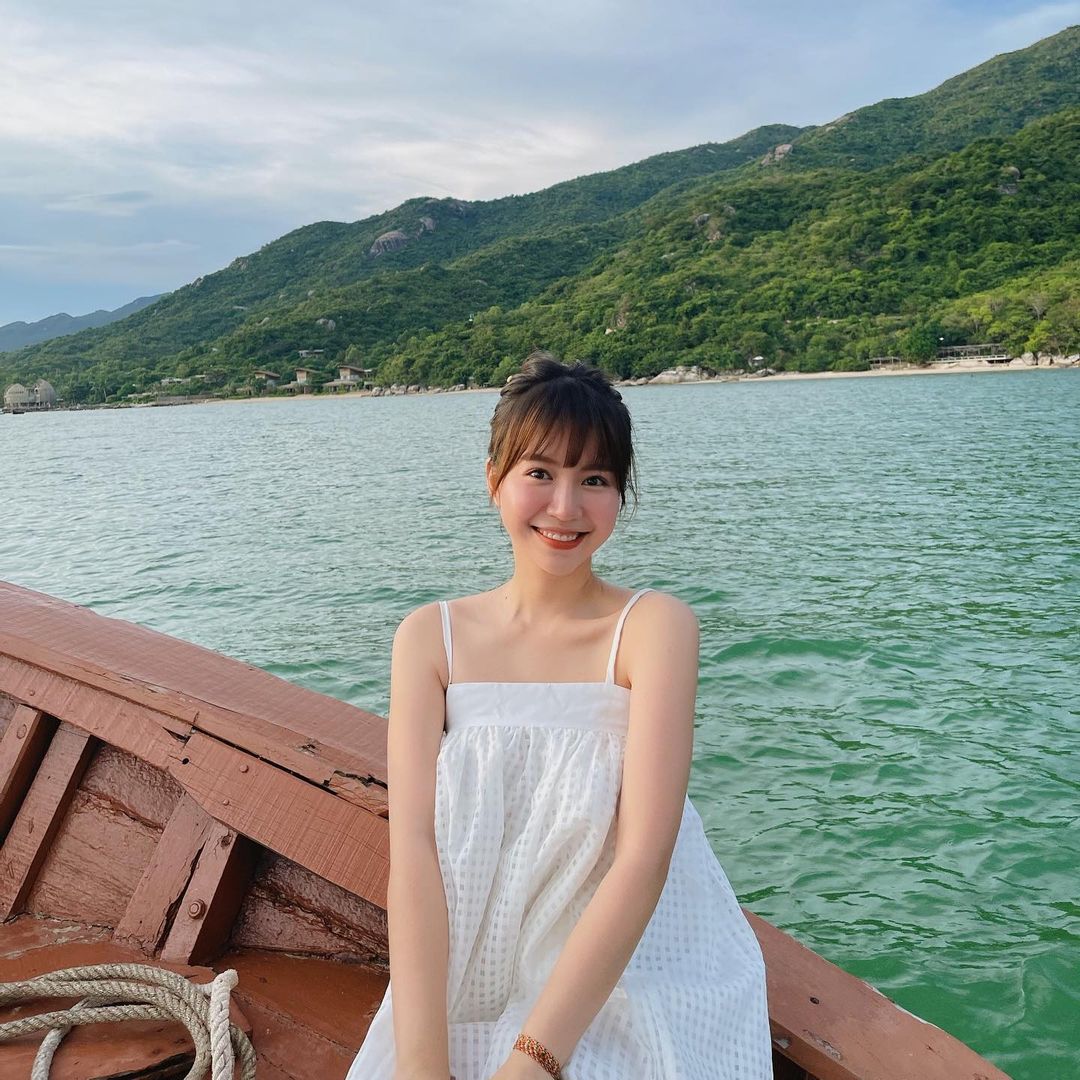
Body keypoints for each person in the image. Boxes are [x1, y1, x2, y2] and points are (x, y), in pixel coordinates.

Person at [346, 351, 773, 1080]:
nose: (566, 508)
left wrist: (532, 1063)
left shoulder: (652, 628)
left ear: (620, 494)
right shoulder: (430, 638)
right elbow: (413, 850)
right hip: (471, 958)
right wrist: (422, 1061)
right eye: (540, 472)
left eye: (595, 480)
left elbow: (643, 858)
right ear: (495, 480)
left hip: (622, 964)